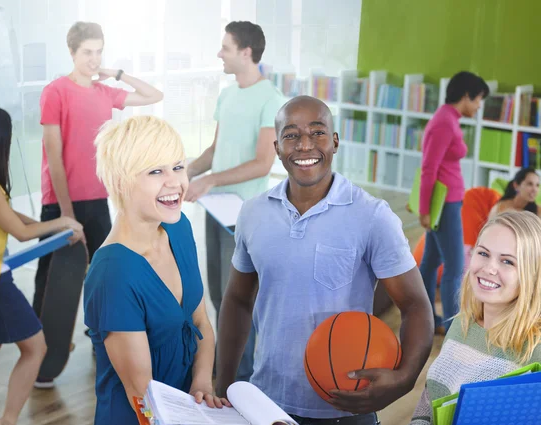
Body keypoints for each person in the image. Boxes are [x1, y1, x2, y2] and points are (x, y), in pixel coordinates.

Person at [216, 96, 434, 424]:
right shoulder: (253, 213)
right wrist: (224, 384)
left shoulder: (372, 216)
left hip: (346, 406)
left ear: (334, 142)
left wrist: (403, 380)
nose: (305, 145)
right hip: (267, 401)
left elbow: (416, 305)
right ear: (277, 147)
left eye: (317, 132)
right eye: (291, 135)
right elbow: (236, 299)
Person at [33, 21, 163, 388]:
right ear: (71, 52)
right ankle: (40, 355)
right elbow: (54, 155)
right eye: (87, 52)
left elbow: (154, 94)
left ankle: (100, 342)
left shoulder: (106, 92)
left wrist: (116, 73)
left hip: (98, 200)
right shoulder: (55, 91)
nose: (93, 58)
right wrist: (66, 213)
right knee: (51, 280)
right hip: (61, 204)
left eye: (98, 51)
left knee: (105, 276)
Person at [84, 115, 230, 424]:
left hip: (186, 411)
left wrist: (202, 382)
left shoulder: (178, 228)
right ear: (121, 181)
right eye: (155, 171)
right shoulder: (113, 275)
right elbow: (143, 398)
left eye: (178, 166)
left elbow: (201, 321)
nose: (175, 182)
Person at [0, 108, 83, 425]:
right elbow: (21, 233)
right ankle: (8, 420)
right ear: (0, 143)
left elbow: (10, 217)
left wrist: (52, 228)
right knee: (36, 348)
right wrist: (63, 220)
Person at [185, 20, 286, 381]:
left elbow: (262, 162)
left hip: (244, 216)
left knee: (238, 300)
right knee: (216, 292)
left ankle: (242, 379)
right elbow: (215, 150)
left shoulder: (271, 100)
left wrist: (211, 180)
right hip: (215, 210)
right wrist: (184, 172)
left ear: (246, 52)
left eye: (225, 48)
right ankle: (225, 364)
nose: (219, 54)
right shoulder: (227, 94)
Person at [410, 211, 541, 425]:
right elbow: (431, 394)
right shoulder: (461, 323)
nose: (489, 268)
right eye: (483, 253)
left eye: (507, 261)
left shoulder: (535, 350)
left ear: (532, 274)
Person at [419, 71, 489, 335]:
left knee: (430, 262)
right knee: (455, 266)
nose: (479, 106)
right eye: (478, 100)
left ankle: (428, 319)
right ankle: (451, 328)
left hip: (448, 201)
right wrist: (425, 210)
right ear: (467, 95)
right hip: (444, 204)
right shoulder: (444, 122)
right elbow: (428, 168)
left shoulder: (449, 119)